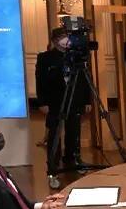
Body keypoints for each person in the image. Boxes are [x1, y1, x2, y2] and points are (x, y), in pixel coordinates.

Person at [36, 28, 91, 173]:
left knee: (74, 131)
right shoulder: (45, 58)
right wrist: (42, 102)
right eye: (61, 37)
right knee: (54, 132)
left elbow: (85, 79)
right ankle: (53, 162)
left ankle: (72, 158)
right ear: (54, 40)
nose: (65, 40)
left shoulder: (77, 57)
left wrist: (87, 100)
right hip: (54, 101)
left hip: (74, 99)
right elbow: (40, 81)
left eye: (67, 36)